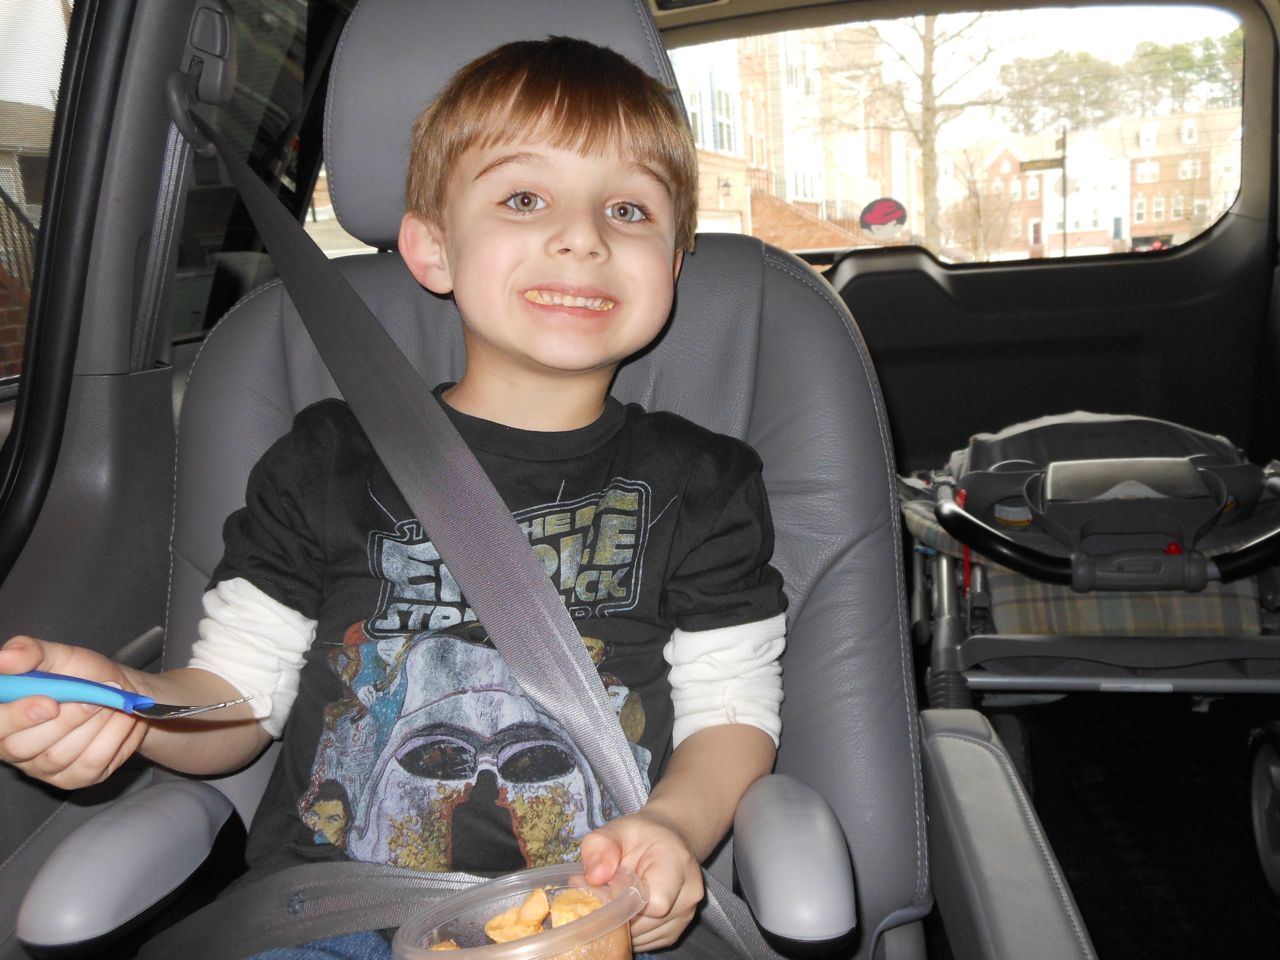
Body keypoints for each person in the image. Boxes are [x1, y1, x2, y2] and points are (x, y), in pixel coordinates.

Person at [0, 37, 787, 958]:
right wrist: (133, 704)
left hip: (587, 914)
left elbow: (731, 716)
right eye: (523, 199)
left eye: (628, 209)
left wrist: (673, 828)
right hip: (330, 918)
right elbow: (234, 703)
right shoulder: (328, 460)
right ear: (433, 248)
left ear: (674, 261)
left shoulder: (703, 484)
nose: (584, 236)